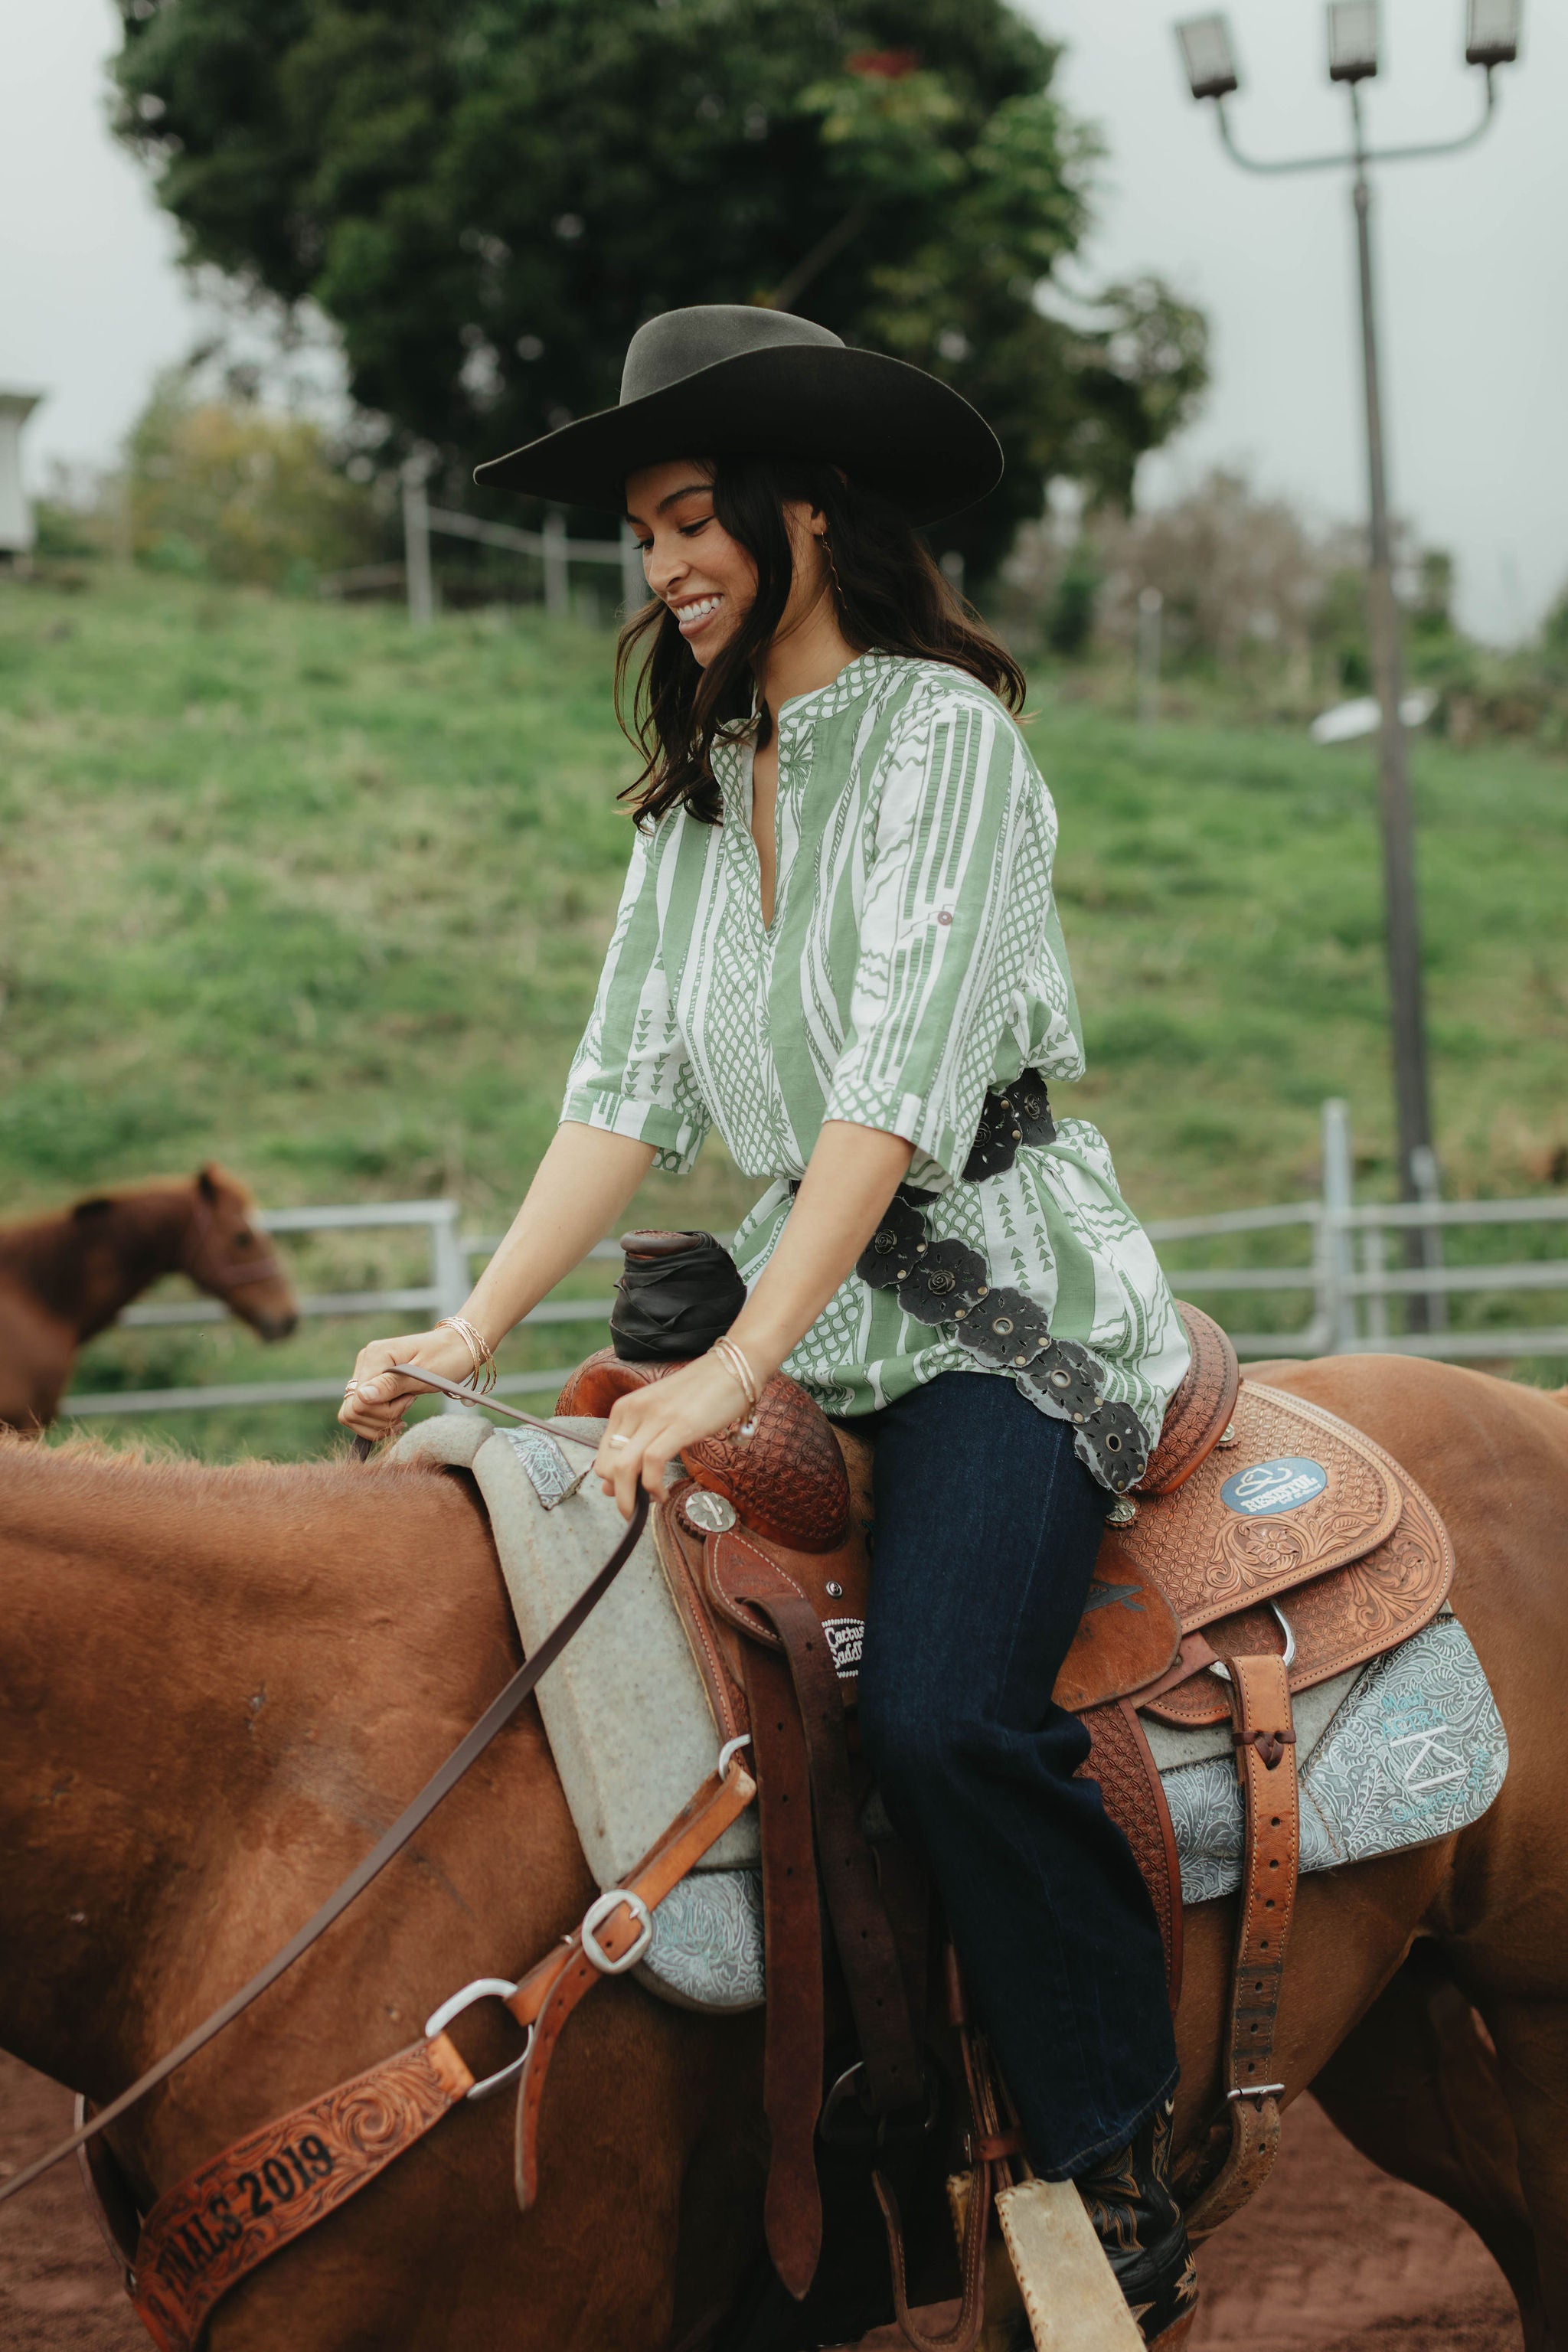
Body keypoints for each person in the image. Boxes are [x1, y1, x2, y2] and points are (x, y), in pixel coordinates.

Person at [340, 305, 1197, 2347]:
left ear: (805, 507)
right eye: (642, 534)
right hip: (811, 1315)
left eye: (688, 519)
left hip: (1004, 1314)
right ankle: (804, 2135)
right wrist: (470, 1329)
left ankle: (1108, 2146)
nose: (663, 567)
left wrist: (732, 1366)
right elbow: (622, 1091)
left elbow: (884, 1103)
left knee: (942, 1713)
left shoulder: (948, 742)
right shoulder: (702, 790)